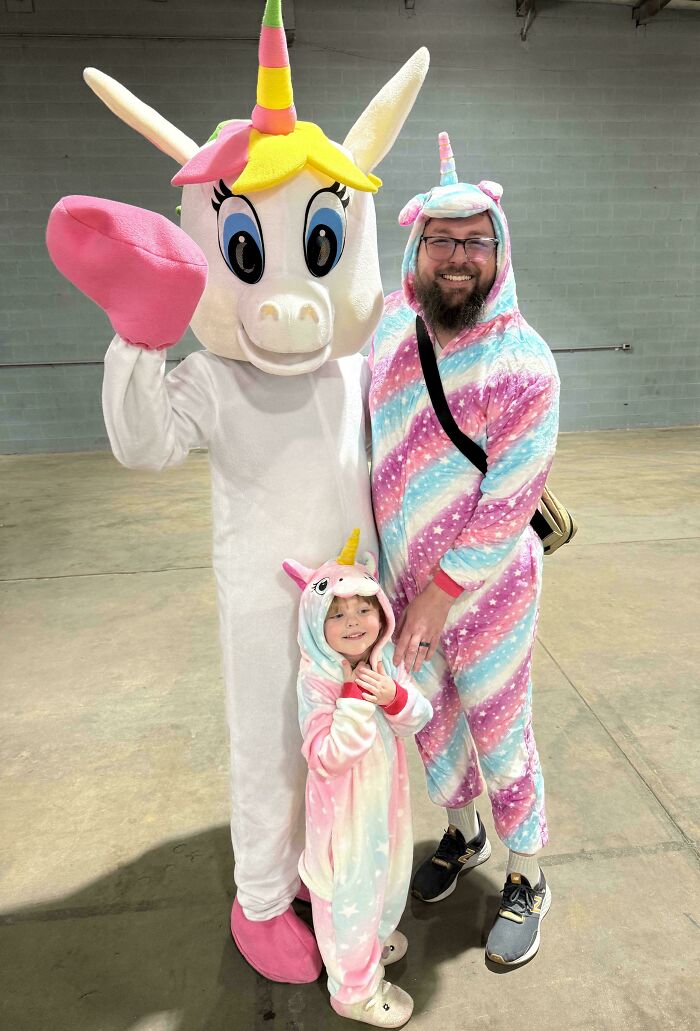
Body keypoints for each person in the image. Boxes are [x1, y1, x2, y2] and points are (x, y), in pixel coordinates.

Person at [45, 0, 429, 983]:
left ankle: (315, 869)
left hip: (356, 602)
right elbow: (144, 444)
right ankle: (260, 896)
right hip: (265, 604)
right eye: (252, 256)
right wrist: (141, 339)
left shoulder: (354, 368)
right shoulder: (218, 378)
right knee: (269, 746)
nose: (293, 303)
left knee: (342, 740)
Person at [368, 132, 559, 966]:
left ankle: (527, 874)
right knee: (433, 722)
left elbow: (509, 500)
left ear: (499, 252)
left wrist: (441, 593)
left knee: (498, 724)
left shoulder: (525, 366)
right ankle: (462, 831)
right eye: (440, 240)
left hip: (484, 592)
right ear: (416, 248)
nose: (456, 257)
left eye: (473, 242)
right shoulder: (386, 337)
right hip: (398, 583)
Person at [284, 529, 432, 1028]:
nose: (353, 622)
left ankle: (372, 941)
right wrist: (351, 700)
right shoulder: (318, 680)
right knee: (349, 895)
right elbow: (325, 757)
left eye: (363, 608)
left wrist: (392, 696)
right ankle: (354, 988)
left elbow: (418, 717)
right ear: (313, 625)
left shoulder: (382, 660)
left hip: (387, 807)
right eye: (337, 614)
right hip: (344, 821)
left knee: (388, 877)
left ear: (382, 612)